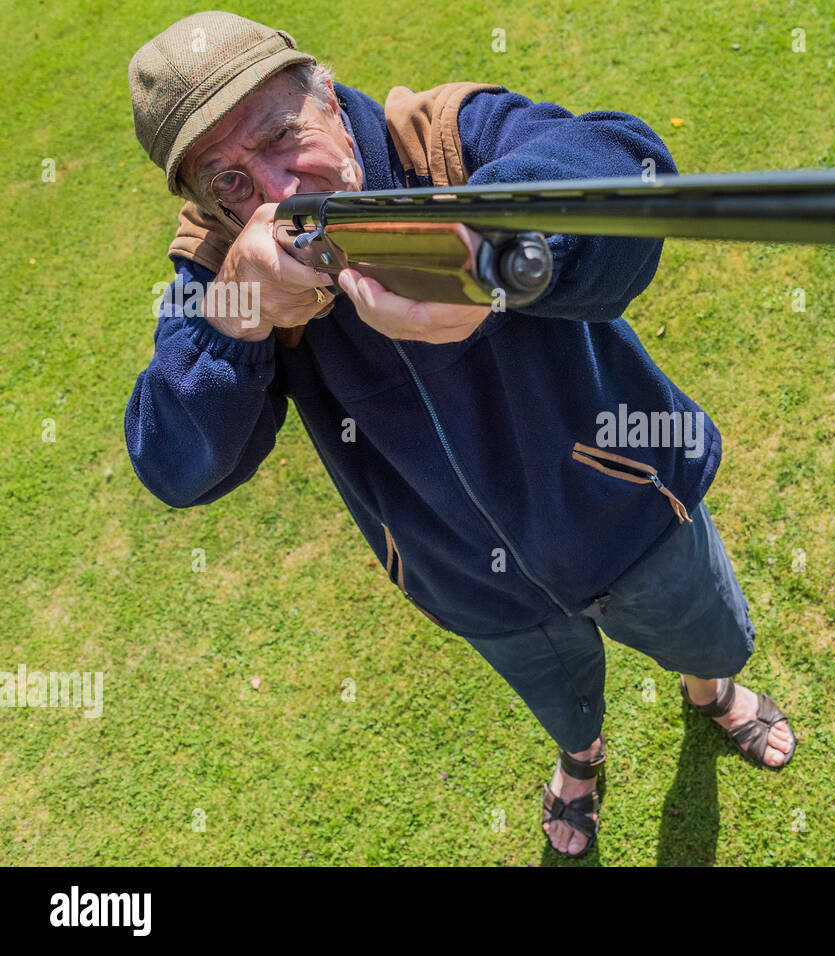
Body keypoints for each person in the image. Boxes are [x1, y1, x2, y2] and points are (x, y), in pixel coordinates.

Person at [125, 11, 795, 859]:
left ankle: (710, 692)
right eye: (229, 180)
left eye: (281, 135)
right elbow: (173, 463)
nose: (278, 193)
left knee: (702, 635)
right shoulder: (219, 267)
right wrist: (239, 317)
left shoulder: (440, 137)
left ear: (326, 93)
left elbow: (627, 165)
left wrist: (496, 250)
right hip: (467, 580)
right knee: (559, 694)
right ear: (201, 201)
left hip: (629, 513)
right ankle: (580, 759)